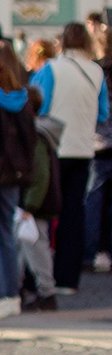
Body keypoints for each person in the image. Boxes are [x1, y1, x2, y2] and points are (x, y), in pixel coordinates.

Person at [0, 42, 50, 319]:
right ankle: (11, 295)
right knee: (5, 234)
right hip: (15, 174)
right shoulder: (23, 99)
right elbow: (30, 141)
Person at [32, 22, 106, 297]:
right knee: (73, 214)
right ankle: (68, 278)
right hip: (83, 148)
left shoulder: (51, 69)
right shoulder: (95, 71)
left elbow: (39, 104)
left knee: (43, 210)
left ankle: (38, 276)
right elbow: (102, 113)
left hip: (54, 148)